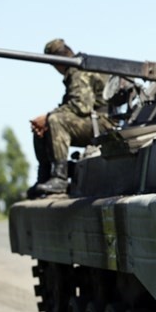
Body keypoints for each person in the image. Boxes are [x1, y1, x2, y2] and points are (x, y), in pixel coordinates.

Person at [28, 39, 113, 199]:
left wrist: (47, 117)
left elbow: (81, 106)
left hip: (102, 124)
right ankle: (45, 177)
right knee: (44, 126)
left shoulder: (78, 71)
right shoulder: (75, 69)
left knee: (55, 121)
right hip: (91, 122)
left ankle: (60, 178)